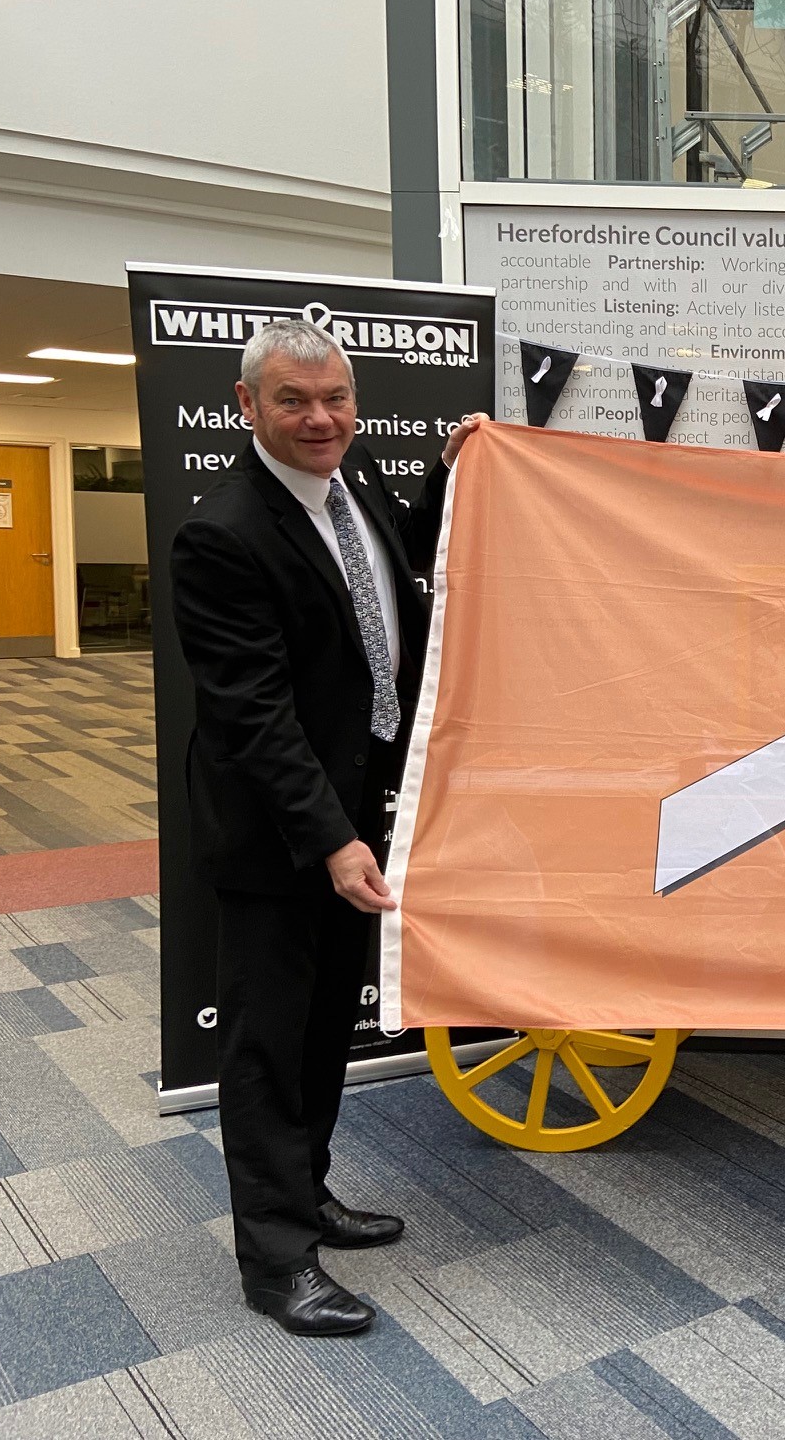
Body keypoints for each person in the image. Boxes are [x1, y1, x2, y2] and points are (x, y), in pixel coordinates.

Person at [172, 319, 481, 1336]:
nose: (321, 419)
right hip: (280, 835)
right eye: (295, 401)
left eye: (335, 399)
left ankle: (308, 1195)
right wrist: (332, 839)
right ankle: (274, 1261)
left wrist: (447, 478)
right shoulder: (222, 534)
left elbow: (403, 566)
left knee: (319, 1038)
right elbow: (251, 715)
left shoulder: (361, 481)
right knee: (267, 1047)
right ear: (246, 404)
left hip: (362, 810)